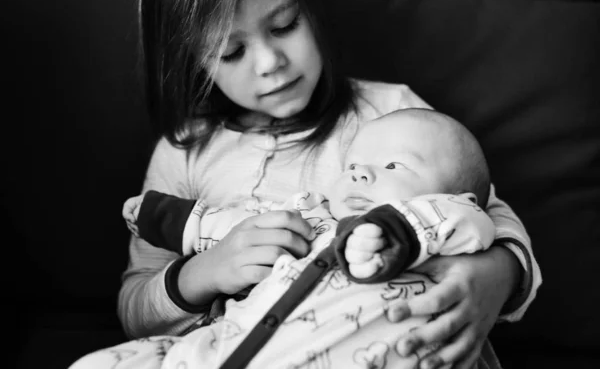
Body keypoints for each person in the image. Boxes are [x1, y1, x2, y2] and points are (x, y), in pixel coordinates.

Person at [93, 0, 541, 368]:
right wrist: (206, 272)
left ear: (311, 7)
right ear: (192, 61)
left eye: (285, 25)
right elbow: (137, 310)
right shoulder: (185, 150)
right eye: (230, 52)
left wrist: (496, 276)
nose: (270, 63)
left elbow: (482, 206)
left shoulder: (390, 112)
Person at [70, 108, 496, 369]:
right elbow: (233, 224)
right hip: (213, 352)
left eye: (395, 167)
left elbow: (474, 222)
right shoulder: (311, 216)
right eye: (353, 165)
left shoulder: (445, 216)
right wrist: (168, 219)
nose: (361, 173)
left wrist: (396, 231)